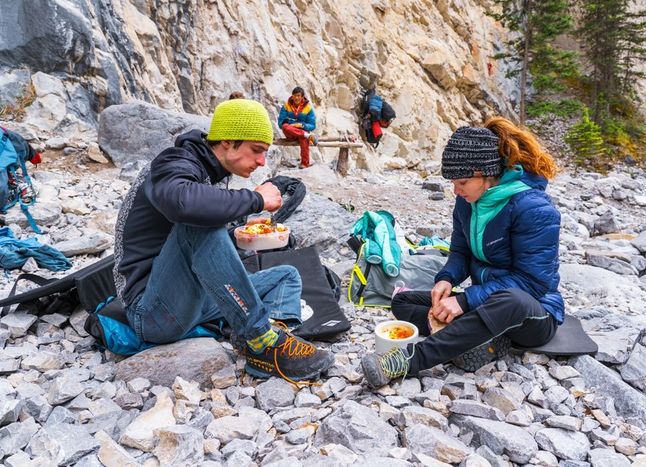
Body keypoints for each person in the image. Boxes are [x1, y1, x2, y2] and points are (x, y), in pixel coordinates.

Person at [113, 99, 334, 382]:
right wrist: (255, 199)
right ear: (227, 142)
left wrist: (238, 234)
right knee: (200, 222)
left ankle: (265, 335)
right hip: (151, 313)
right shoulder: (172, 162)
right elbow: (182, 205)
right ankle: (261, 340)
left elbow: (198, 245)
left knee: (287, 275)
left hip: (192, 298)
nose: (261, 161)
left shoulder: (211, 172)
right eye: (256, 150)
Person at [361, 117, 563, 388]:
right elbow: (460, 250)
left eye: (463, 182)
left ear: (487, 173)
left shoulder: (533, 209)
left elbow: (533, 283)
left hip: (533, 312)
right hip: (487, 302)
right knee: (403, 302)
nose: (456, 190)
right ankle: (477, 337)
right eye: (453, 183)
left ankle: (408, 361)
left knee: (512, 300)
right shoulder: (467, 201)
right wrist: (446, 279)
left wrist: (465, 301)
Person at [277, 86, 317, 168]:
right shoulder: (286, 106)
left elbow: (312, 125)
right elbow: (280, 123)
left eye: (298, 96)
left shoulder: (308, 108)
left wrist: (302, 125)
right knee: (285, 126)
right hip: (290, 133)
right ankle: (307, 135)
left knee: (303, 138)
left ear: (302, 97)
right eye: (294, 95)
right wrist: (290, 124)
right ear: (292, 96)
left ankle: (304, 163)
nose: (296, 98)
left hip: (301, 131)